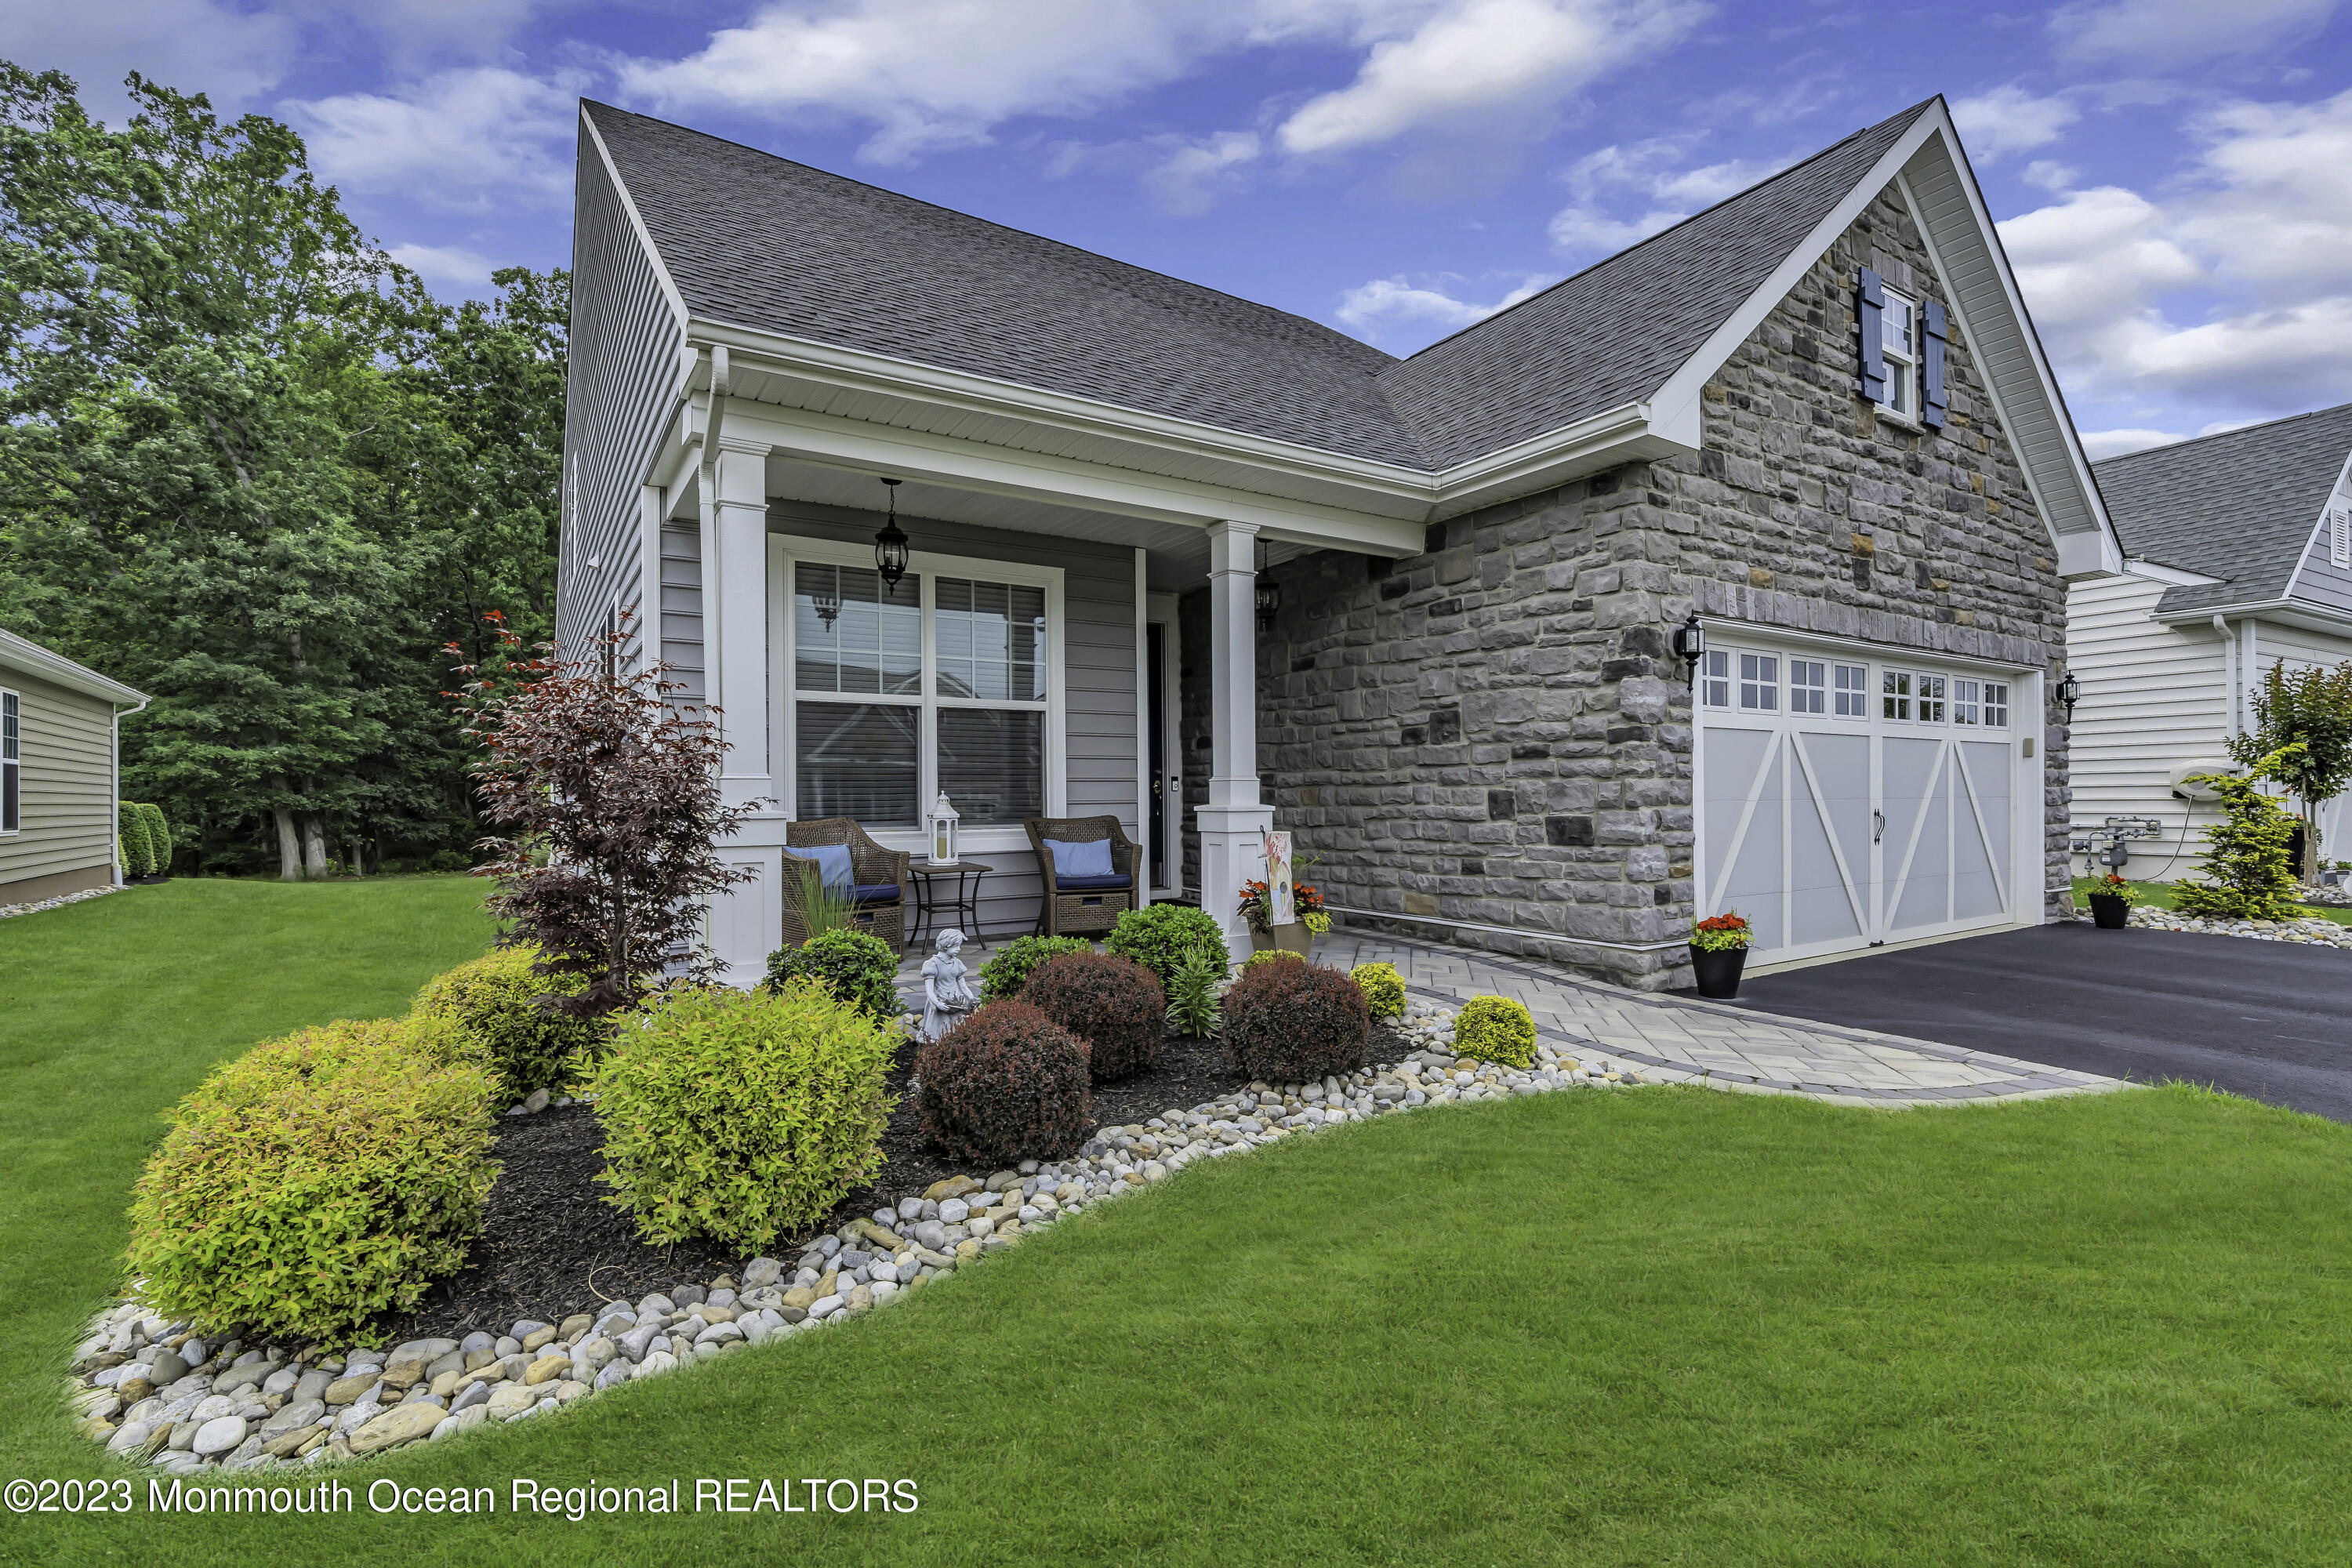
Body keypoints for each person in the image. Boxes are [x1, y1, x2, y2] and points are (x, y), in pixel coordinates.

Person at [920, 927, 978, 1041]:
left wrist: (972, 999)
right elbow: (930, 990)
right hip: (941, 1001)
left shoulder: (957, 963)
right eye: (956, 946)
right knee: (940, 1032)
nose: (959, 949)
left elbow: (964, 987)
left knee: (957, 1028)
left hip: (956, 1001)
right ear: (946, 944)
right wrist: (937, 1003)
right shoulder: (932, 964)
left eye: (959, 946)